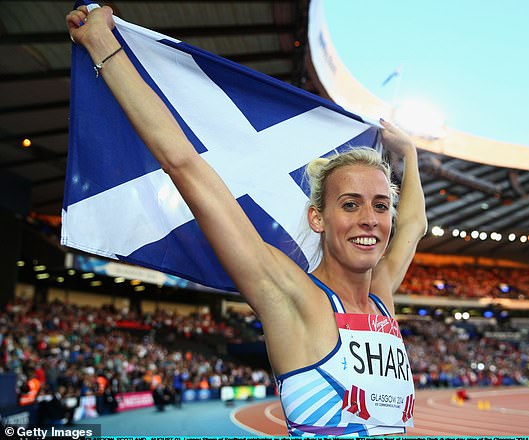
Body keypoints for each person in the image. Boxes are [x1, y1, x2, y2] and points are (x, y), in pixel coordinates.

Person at [66, 5, 427, 436]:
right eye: (350, 205)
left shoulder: (383, 298)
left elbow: (415, 225)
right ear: (317, 218)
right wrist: (102, 45)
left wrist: (410, 155)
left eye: (381, 205)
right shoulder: (291, 294)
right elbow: (185, 165)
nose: (370, 219)